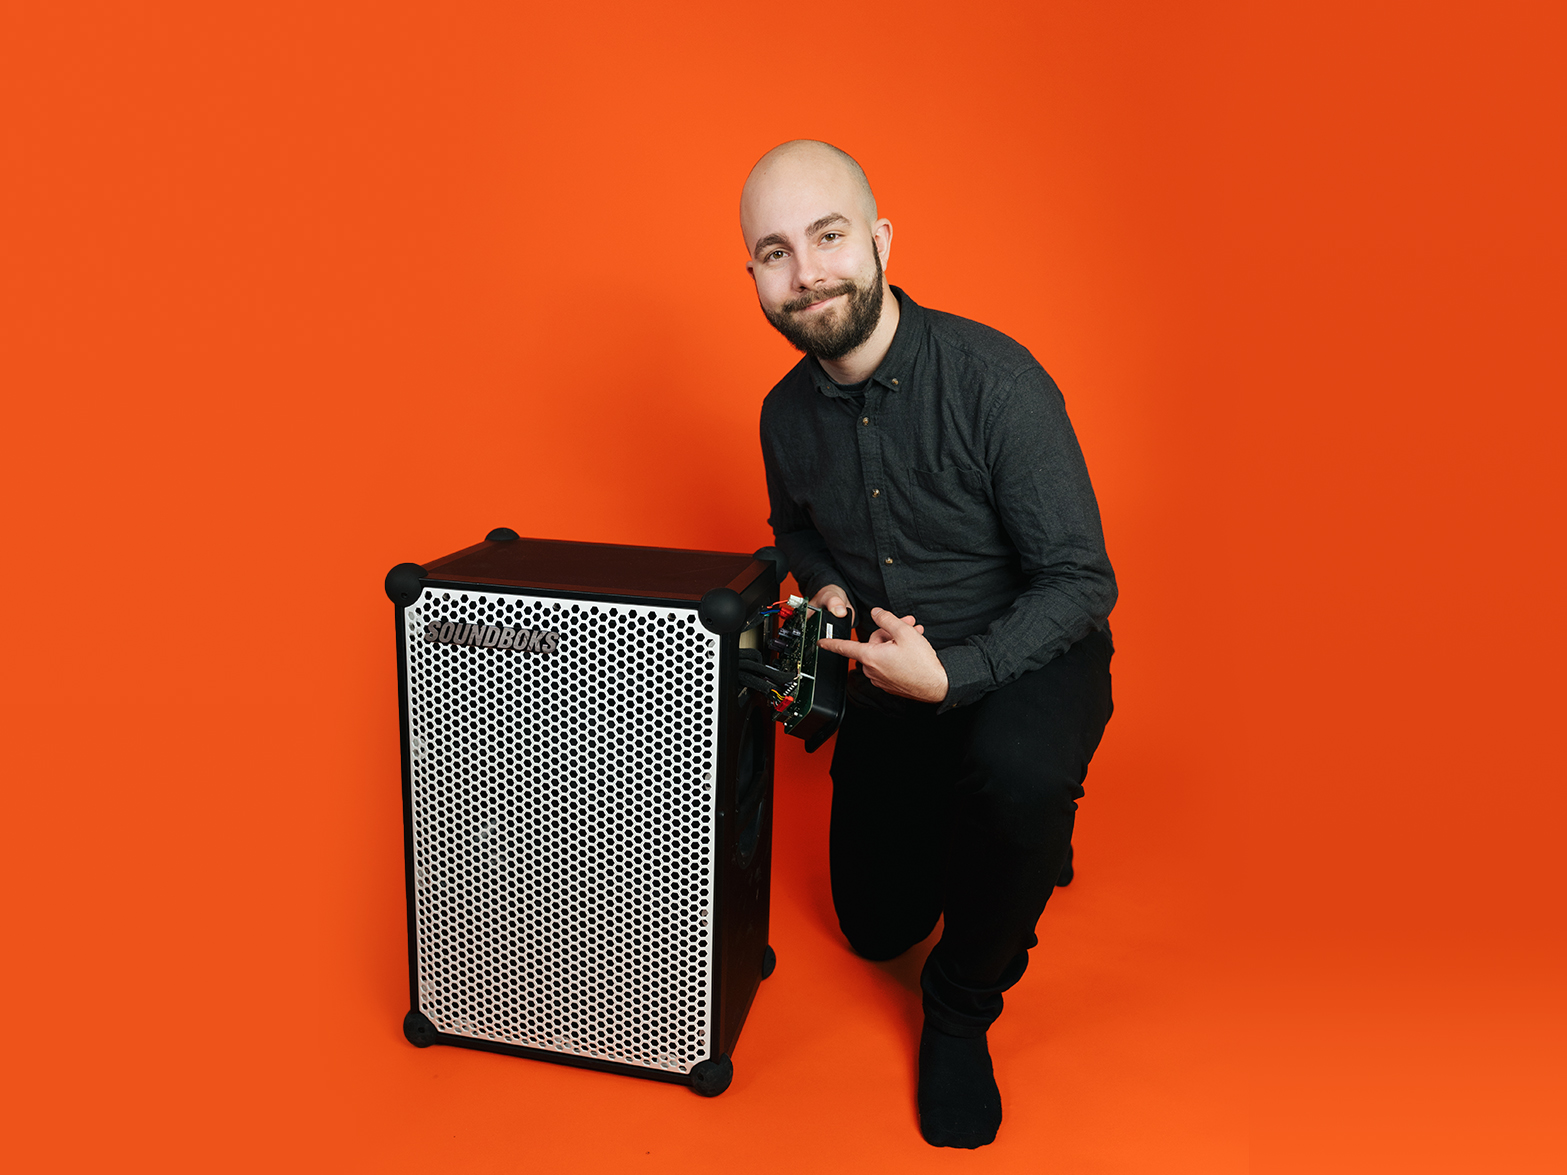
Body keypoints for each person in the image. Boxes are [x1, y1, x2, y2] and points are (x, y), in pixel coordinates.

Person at [740, 140, 1117, 1149]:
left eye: (827, 236)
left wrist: (958, 674)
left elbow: (1082, 579)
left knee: (1020, 775)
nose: (806, 270)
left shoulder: (995, 380)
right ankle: (1011, 839)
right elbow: (796, 527)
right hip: (888, 676)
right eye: (775, 252)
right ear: (755, 279)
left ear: (879, 240)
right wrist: (822, 583)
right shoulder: (783, 414)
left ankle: (960, 1008)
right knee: (874, 929)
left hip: (1026, 651)